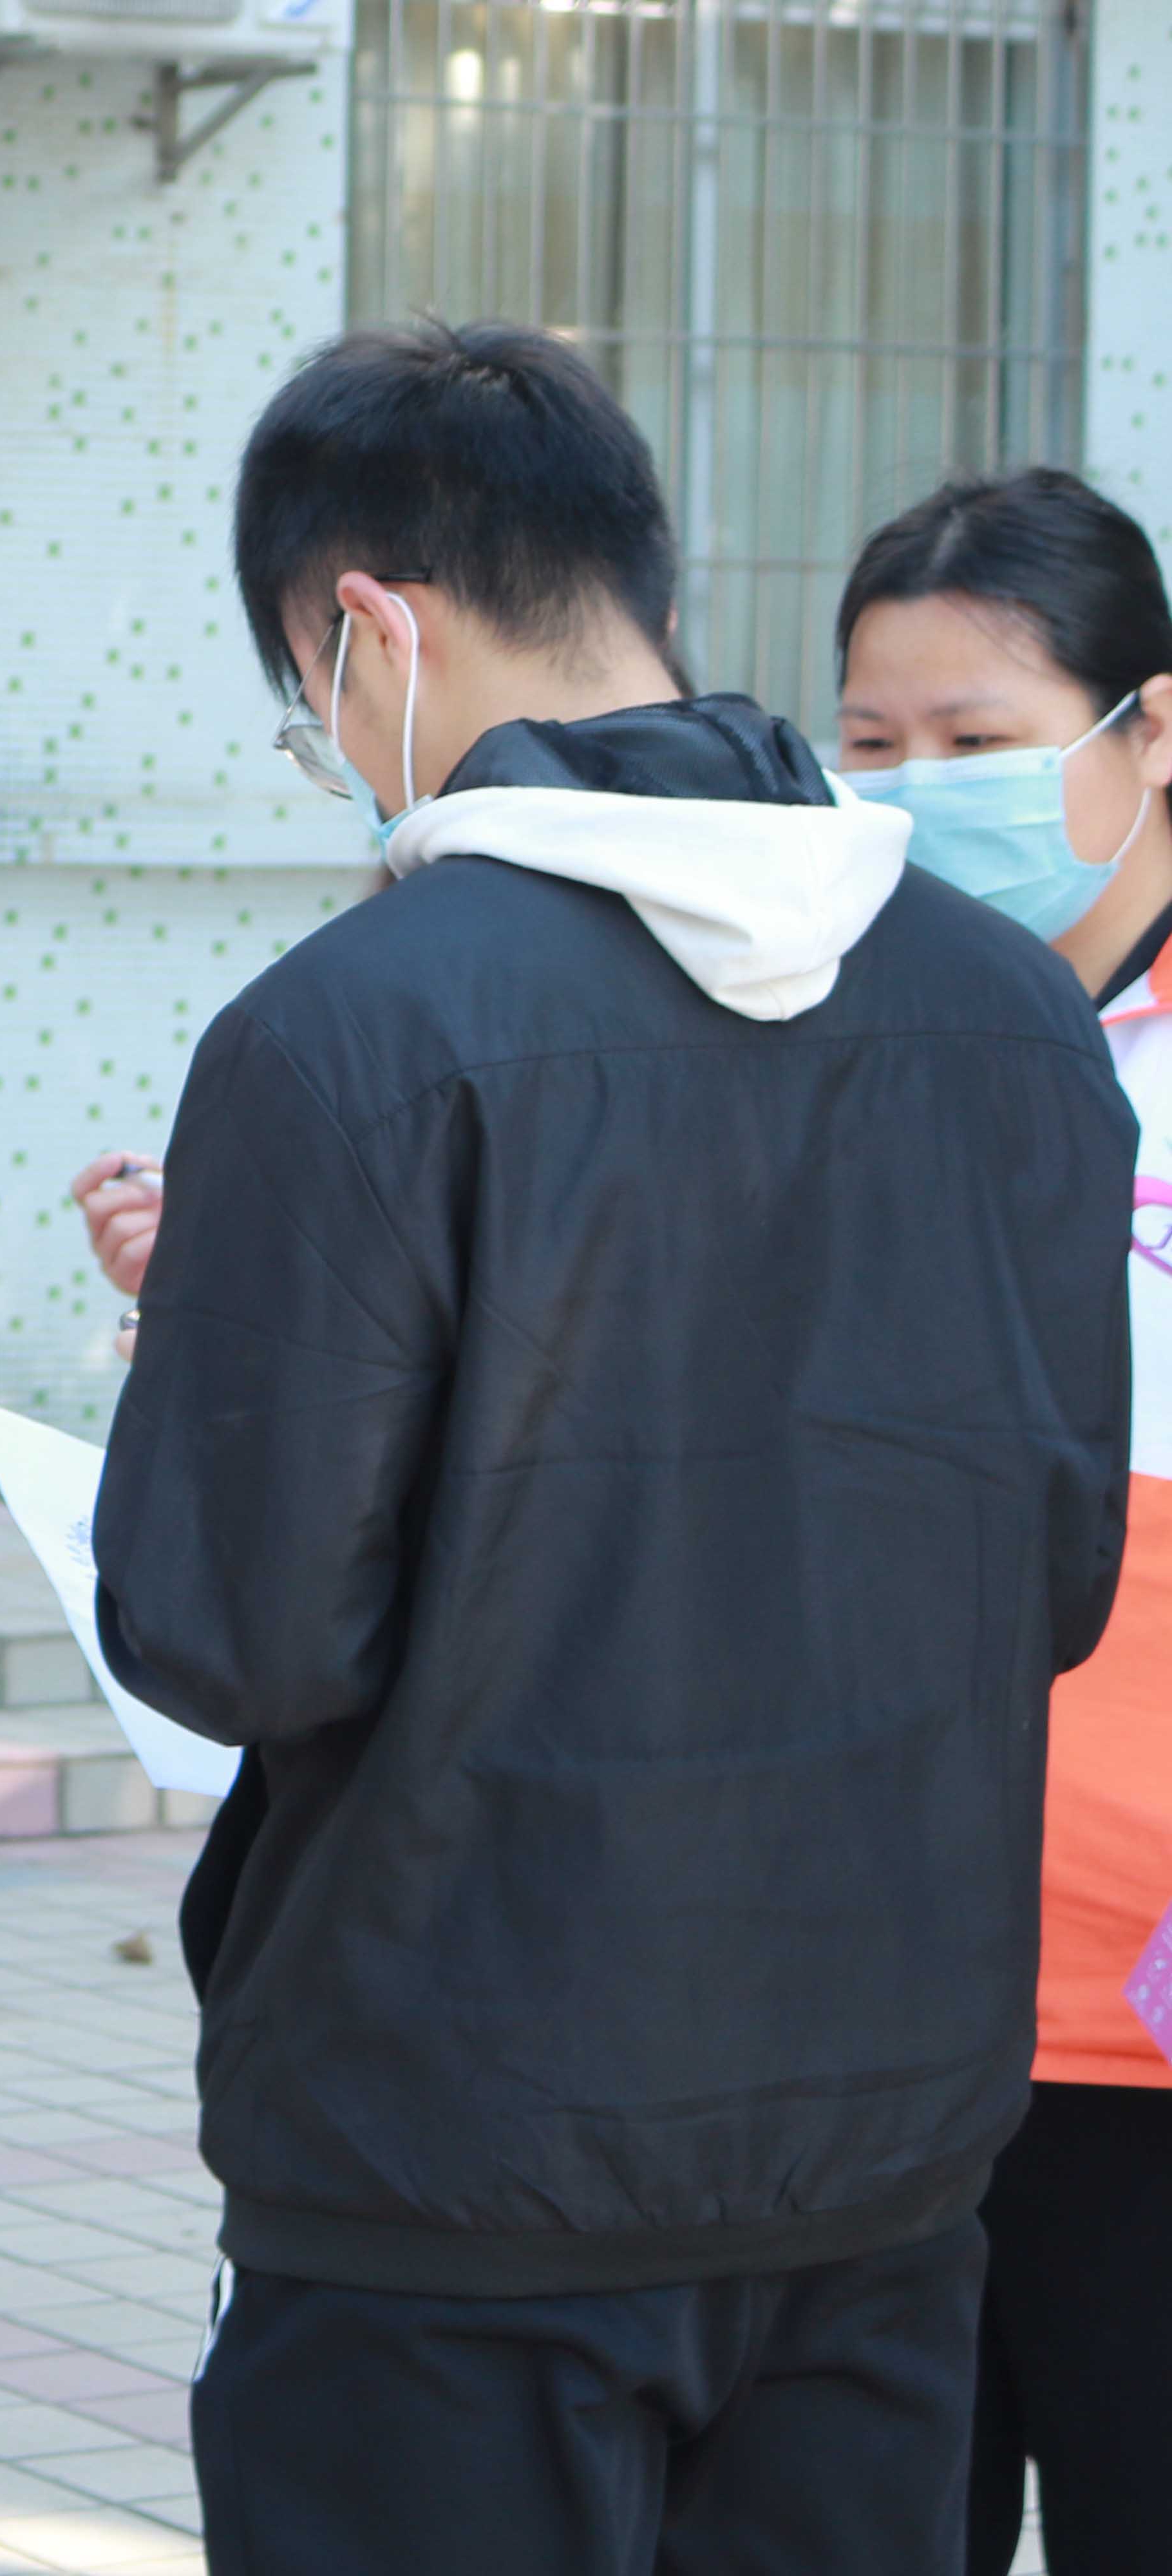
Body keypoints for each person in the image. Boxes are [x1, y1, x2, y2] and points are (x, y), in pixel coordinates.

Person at [91, 321, 1135, 2576]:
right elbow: (1054, 1573)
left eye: (305, 696)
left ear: (366, 627)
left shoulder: (349, 1033)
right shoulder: (1015, 1015)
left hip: (451, 2159)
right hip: (881, 2157)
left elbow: (236, 1635)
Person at [833, 464, 1172, 2576]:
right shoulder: (841, 1034)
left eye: (976, 740)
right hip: (882, 2008)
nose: (916, 792)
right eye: (871, 744)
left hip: (1149, 2025)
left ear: (1151, 732)